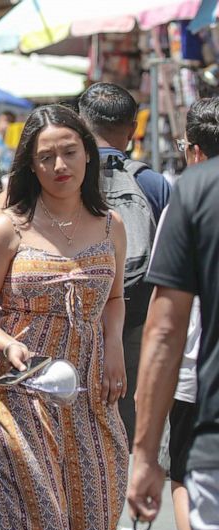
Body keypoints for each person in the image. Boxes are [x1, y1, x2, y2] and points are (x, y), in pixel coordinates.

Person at [0, 104, 128, 530]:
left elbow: (113, 298)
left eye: (70, 152)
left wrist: (115, 347)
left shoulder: (111, 225)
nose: (60, 166)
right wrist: (7, 342)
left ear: (88, 155)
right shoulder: (7, 229)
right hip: (19, 392)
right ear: (30, 166)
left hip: (91, 392)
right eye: (46, 157)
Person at [128, 97, 219, 530]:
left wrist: (144, 457)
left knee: (184, 472)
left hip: (203, 391)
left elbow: (164, 330)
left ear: (196, 151)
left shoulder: (194, 191)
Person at [78, 82, 171, 447]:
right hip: (136, 314)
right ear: (133, 130)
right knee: (121, 421)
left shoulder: (62, 173)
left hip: (73, 311)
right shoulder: (153, 183)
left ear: (81, 124)